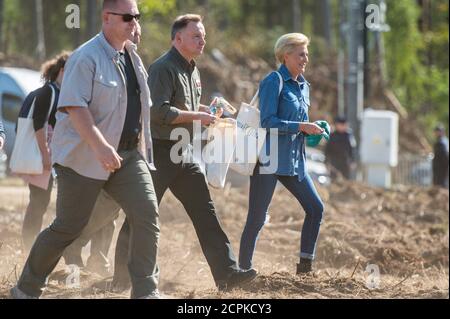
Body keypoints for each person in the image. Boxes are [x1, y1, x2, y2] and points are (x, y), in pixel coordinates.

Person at [11, 0, 160, 299]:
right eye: (128, 17)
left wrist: (128, 148)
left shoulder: (131, 56)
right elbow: (76, 108)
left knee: (146, 215)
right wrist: (101, 147)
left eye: (137, 17)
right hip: (84, 157)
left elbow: (138, 107)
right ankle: (26, 288)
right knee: (68, 227)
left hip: (128, 155)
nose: (135, 22)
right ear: (106, 18)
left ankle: (145, 291)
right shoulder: (85, 57)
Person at [112, 14, 257, 292]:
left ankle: (227, 274)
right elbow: (158, 112)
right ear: (178, 39)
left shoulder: (193, 69)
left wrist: (205, 111)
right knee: (141, 213)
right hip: (161, 152)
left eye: (203, 36)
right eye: (196, 36)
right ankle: (120, 279)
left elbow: (183, 106)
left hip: (185, 153)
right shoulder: (162, 68)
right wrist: (196, 116)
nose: (203, 41)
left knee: (205, 212)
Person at [238, 33, 325, 275]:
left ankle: (305, 269)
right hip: (268, 160)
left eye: (306, 53)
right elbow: (267, 121)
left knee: (316, 208)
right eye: (300, 54)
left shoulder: (304, 86)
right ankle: (242, 270)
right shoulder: (272, 81)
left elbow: (300, 123)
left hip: (294, 162)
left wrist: (313, 129)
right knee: (256, 218)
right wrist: (300, 126)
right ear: (285, 55)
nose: (305, 58)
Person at [19, 52, 70, 252]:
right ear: (63, 70)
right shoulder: (48, 92)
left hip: (53, 156)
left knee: (42, 202)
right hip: (44, 156)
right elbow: (38, 125)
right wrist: (45, 156)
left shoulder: (61, 92)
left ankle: (33, 246)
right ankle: (29, 246)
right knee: (38, 203)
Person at [324, 116, 357, 180]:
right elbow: (327, 150)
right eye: (341, 125)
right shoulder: (332, 135)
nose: (343, 126)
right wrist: (326, 162)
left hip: (345, 162)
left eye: (344, 125)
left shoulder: (349, 135)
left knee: (346, 181)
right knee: (334, 181)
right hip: (334, 163)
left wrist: (353, 160)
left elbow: (352, 149)